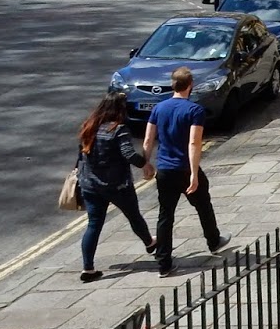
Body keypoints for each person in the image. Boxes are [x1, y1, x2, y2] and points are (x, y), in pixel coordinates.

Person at [142, 67, 226, 277]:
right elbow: (194, 143)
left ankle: (164, 264)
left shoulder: (159, 108)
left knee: (165, 216)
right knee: (203, 205)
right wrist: (194, 174)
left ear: (173, 85)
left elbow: (148, 139)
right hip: (185, 168)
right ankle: (214, 241)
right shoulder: (194, 110)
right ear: (190, 85)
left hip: (164, 170)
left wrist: (146, 163)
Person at [76, 93, 155, 282]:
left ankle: (88, 268)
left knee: (94, 224)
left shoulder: (89, 126)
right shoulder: (118, 129)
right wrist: (145, 164)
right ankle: (150, 243)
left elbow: (81, 155)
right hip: (117, 185)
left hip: (90, 185)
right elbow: (128, 153)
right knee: (133, 216)